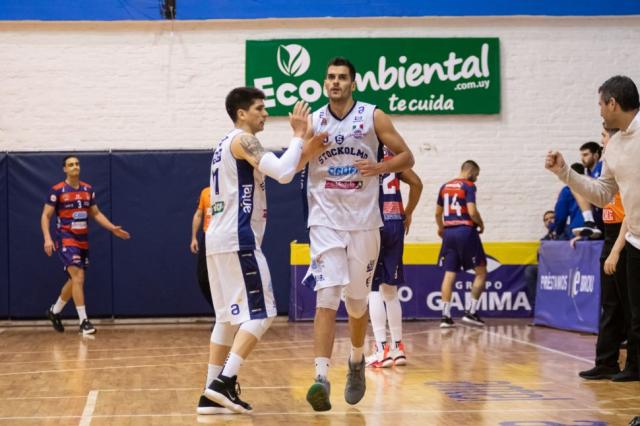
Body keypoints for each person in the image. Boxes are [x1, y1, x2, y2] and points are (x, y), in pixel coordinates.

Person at [197, 87, 325, 415]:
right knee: (264, 313)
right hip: (238, 238)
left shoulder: (226, 144)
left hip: (218, 239)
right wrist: (298, 136)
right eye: (259, 108)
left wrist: (304, 150)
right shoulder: (244, 140)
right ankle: (224, 381)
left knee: (226, 319)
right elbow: (282, 173)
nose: (265, 113)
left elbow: (285, 168)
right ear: (242, 113)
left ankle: (209, 396)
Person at [300, 57, 414, 411]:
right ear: (324, 83)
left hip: (365, 222)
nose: (335, 82)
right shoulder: (313, 120)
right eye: (330, 77)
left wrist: (379, 167)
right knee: (326, 296)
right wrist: (306, 145)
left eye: (342, 77)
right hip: (324, 220)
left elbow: (407, 158)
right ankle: (321, 377)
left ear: (353, 83)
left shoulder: (372, 116)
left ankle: (356, 360)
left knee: (357, 302)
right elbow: (294, 166)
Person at [546, 75, 640, 383]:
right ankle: (633, 372)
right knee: (635, 317)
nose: (598, 110)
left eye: (600, 104)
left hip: (627, 238)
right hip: (635, 240)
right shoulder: (614, 147)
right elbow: (602, 194)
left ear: (613, 103)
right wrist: (564, 172)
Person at [42, 155, 131, 335]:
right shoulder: (57, 190)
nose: (75, 167)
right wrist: (47, 238)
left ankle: (55, 310)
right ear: (64, 169)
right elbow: (45, 216)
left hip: (82, 240)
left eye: (77, 164)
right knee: (79, 276)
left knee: (74, 280)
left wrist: (112, 228)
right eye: (71, 165)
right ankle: (84, 322)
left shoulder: (87, 189)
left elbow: (96, 213)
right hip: (66, 238)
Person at [579, 126, 637, 381]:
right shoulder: (605, 167)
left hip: (625, 237)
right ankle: (606, 361)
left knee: (630, 307)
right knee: (610, 305)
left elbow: (631, 216)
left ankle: (633, 364)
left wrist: (616, 250)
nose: (601, 141)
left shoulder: (627, 161)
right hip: (610, 234)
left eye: (604, 136)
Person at [366, 147, 422, 368]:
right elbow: (417, 183)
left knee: (373, 288)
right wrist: (408, 213)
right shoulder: (393, 158)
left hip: (373, 223)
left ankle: (382, 350)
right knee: (390, 290)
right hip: (395, 222)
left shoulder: (365, 153)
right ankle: (398, 349)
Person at [435, 160, 487, 328]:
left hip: (449, 233)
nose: (476, 178)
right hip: (465, 231)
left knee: (449, 273)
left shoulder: (444, 186)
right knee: (481, 272)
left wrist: (441, 228)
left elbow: (437, 213)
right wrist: (481, 223)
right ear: (470, 171)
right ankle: (471, 312)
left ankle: (445, 316)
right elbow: (472, 211)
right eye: (476, 175)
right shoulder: (468, 186)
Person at [523, 210, 558, 311]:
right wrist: (540, 252)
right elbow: (540, 261)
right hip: (548, 268)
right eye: (546, 220)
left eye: (552, 218)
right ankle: (536, 309)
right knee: (530, 270)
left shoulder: (565, 232)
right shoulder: (544, 239)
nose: (549, 221)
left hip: (564, 268)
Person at [572, 141, 604, 238]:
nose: (582, 158)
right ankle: (589, 222)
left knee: (577, 181)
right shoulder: (589, 173)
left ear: (596, 155)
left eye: (585, 155)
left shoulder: (602, 167)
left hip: (611, 213)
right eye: (581, 155)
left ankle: (589, 221)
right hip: (599, 218)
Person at [190, 186, 214, 308]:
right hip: (208, 237)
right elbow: (199, 214)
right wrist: (194, 237)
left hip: (224, 238)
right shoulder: (205, 192)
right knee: (203, 277)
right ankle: (219, 310)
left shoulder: (231, 190)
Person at [553, 163, 587, 239]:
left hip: (577, 229)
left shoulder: (567, 190)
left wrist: (558, 232)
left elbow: (561, 216)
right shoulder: (593, 187)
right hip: (597, 229)